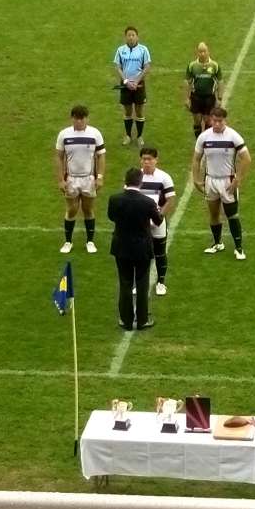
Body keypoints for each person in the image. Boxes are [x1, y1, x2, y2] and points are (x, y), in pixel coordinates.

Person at [192, 106, 251, 260]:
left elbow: (246, 159)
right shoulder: (204, 137)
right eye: (214, 121)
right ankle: (218, 243)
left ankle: (239, 248)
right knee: (214, 214)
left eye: (220, 121)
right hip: (210, 180)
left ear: (225, 120)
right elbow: (196, 159)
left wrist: (238, 179)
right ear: (210, 120)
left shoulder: (233, 136)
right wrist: (196, 179)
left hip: (227, 181)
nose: (217, 124)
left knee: (232, 215)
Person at [107, 167, 163, 331]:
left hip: (121, 246)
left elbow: (111, 217)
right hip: (142, 248)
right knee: (142, 283)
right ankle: (142, 320)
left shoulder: (114, 199)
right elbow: (158, 221)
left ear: (125, 181)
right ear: (140, 182)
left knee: (125, 283)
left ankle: (126, 320)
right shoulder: (148, 202)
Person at [55, 105, 106, 254]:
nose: (79, 121)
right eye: (76, 118)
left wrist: (100, 177)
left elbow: (101, 156)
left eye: (82, 119)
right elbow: (58, 157)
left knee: (88, 209)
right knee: (71, 210)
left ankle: (90, 241)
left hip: (88, 178)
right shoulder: (64, 134)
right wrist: (60, 180)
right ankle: (68, 241)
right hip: (71, 178)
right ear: (72, 118)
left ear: (87, 118)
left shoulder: (95, 133)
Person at [140, 147, 176, 296]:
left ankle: (161, 282)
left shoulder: (164, 177)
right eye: (144, 159)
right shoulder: (136, 177)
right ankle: (140, 283)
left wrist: (159, 217)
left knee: (160, 253)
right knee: (141, 254)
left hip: (158, 221)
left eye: (149, 159)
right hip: (140, 222)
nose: (146, 162)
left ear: (156, 160)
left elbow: (170, 199)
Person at [113, 26, 151, 148]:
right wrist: (126, 81)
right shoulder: (120, 50)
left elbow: (147, 67)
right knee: (128, 111)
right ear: (125, 37)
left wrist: (136, 81)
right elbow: (118, 67)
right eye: (128, 35)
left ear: (137, 37)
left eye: (133, 35)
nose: (131, 37)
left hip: (139, 85)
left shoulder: (143, 50)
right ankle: (128, 136)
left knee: (139, 111)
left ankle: (139, 136)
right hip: (126, 85)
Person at [185, 42, 224, 138]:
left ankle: (206, 141)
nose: (202, 54)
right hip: (195, 97)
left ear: (208, 51)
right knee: (197, 121)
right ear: (197, 53)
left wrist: (219, 98)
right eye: (200, 51)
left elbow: (220, 82)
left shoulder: (214, 65)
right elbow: (187, 82)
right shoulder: (192, 65)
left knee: (208, 120)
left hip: (209, 97)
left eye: (204, 51)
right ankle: (198, 141)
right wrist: (186, 98)